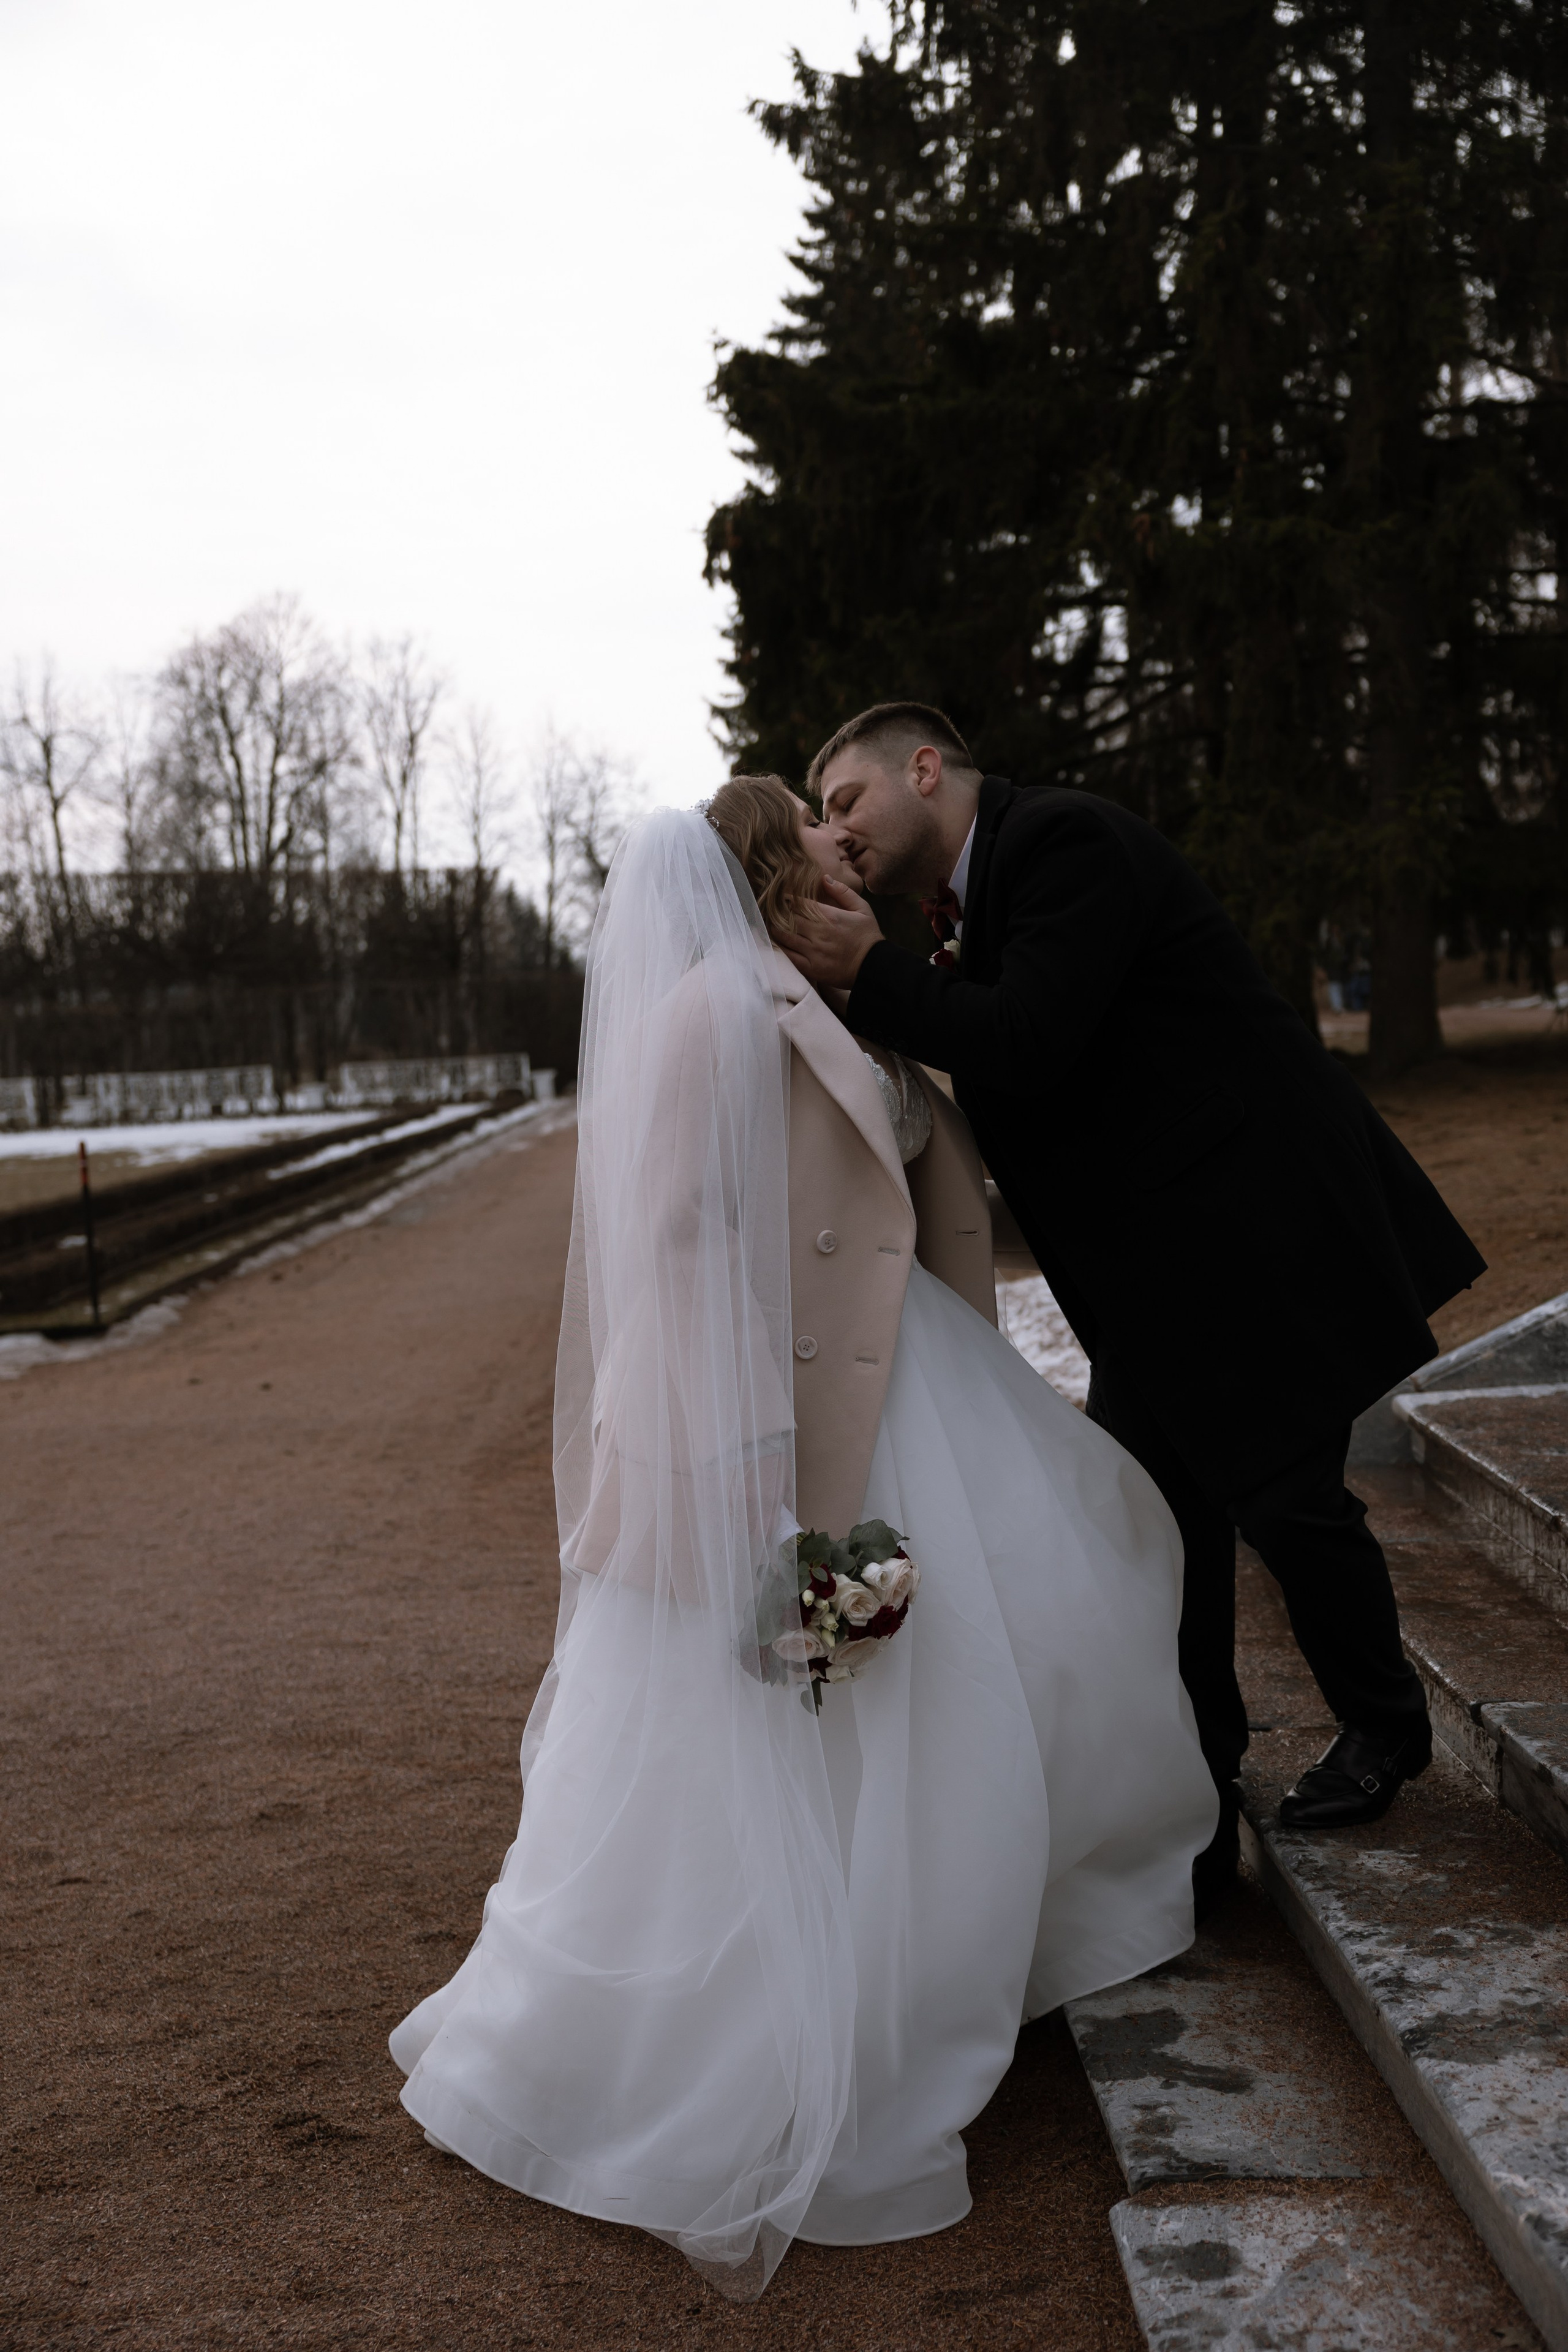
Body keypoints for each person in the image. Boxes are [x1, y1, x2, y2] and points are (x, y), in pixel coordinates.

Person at [390, 788, 1216, 2297]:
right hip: (799, 1417)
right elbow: (673, 1238)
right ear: (771, 865)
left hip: (907, 1382)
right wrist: (749, 1466)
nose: (852, 844)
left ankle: (981, 1944)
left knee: (1039, 1614)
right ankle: (803, 2016)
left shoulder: (829, 988)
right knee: (835, 1705)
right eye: (822, 831)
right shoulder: (717, 1009)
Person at [782, 701, 1487, 1895]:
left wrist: (870, 972)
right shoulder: (969, 902)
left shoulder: (1059, 843)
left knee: (1279, 1493)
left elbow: (1029, 1036)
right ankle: (1196, 1801)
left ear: (922, 767)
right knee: (1148, 1530)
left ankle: (1383, 1727)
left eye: (844, 800)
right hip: (1160, 1268)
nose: (835, 833)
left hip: (1250, 1227)